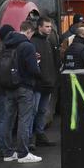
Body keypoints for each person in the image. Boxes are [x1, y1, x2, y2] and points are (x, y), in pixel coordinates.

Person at [0, 20, 42, 163]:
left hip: (9, 86)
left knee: (8, 119)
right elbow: (32, 69)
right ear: (29, 31)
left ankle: (8, 152)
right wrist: (37, 66)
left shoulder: (7, 45)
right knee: (24, 119)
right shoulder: (27, 45)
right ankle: (23, 154)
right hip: (24, 87)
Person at [30, 17, 59, 147]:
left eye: (50, 27)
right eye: (46, 26)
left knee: (42, 111)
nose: (49, 29)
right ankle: (30, 138)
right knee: (33, 111)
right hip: (37, 84)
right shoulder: (33, 42)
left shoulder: (49, 42)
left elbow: (53, 62)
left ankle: (40, 134)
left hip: (48, 83)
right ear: (39, 27)